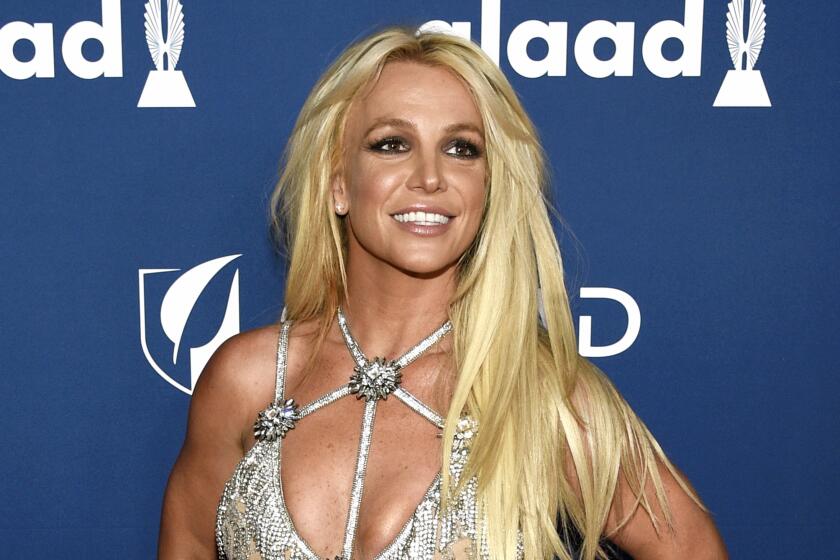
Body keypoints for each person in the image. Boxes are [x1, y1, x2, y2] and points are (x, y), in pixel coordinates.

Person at [158, 25, 727, 560]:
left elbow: (691, 546)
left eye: (461, 149)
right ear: (338, 183)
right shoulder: (247, 379)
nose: (430, 176)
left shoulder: (543, 397)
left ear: (488, 189)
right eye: (390, 144)